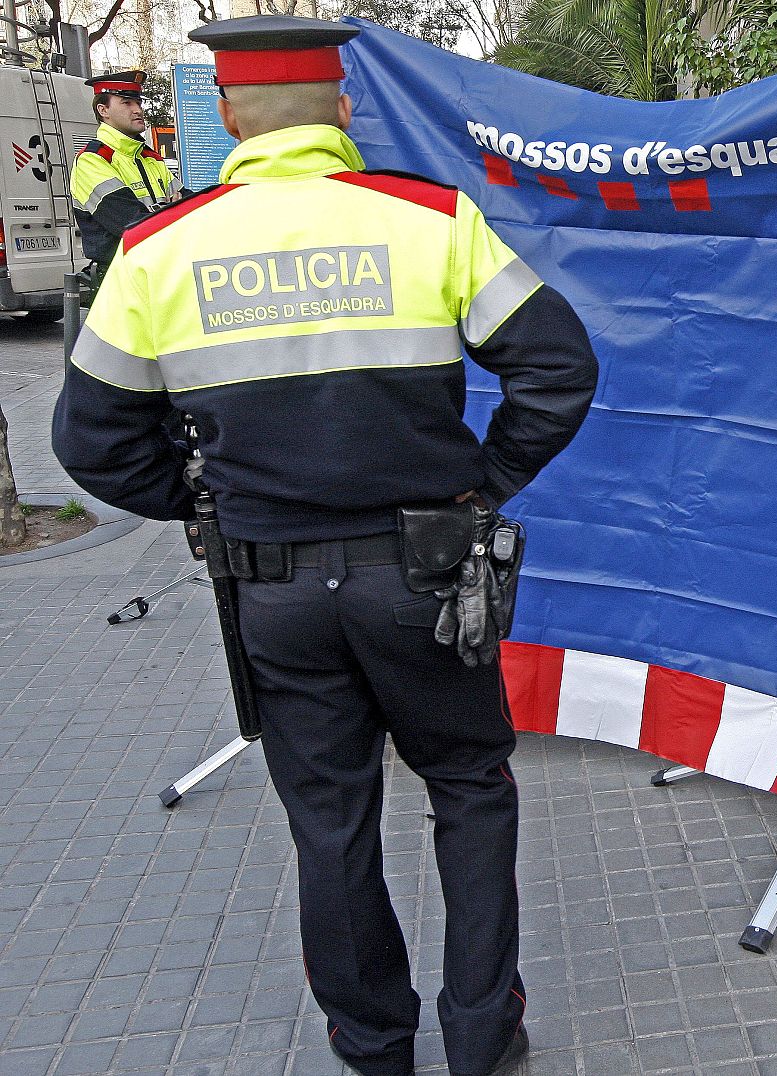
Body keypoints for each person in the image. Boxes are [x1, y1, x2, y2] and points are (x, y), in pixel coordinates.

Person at [52, 15, 598, 1076]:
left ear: (227, 118)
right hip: (426, 577)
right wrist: (482, 482)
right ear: (341, 113)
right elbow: (559, 369)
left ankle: (373, 1043)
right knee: (471, 785)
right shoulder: (430, 220)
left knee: (332, 817)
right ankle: (483, 1033)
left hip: (274, 590)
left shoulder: (158, 248)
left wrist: (206, 506)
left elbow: (90, 438)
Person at [70, 70, 177, 268]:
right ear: (104, 110)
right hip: (118, 276)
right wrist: (172, 211)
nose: (138, 110)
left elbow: (192, 206)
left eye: (138, 103)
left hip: (159, 269)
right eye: (127, 103)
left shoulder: (149, 157)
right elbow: (132, 224)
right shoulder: (93, 160)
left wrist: (162, 214)